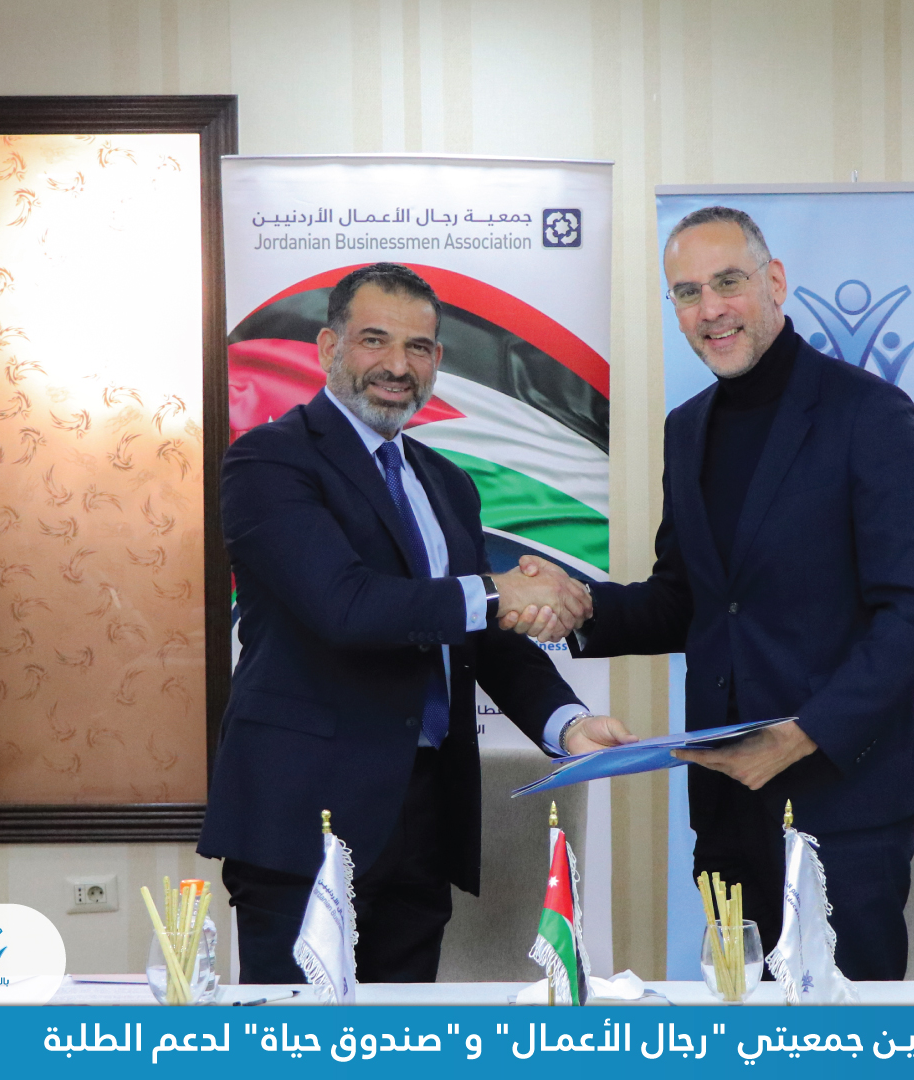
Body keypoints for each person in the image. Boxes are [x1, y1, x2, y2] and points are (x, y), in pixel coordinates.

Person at [530, 206, 914, 979]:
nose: (710, 309)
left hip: (843, 806)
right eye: (687, 293)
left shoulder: (869, 414)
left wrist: (800, 736)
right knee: (736, 1024)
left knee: (846, 1034)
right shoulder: (687, 429)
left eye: (728, 282)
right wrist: (580, 607)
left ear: (774, 282)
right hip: (726, 806)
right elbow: (686, 600)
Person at [198, 263, 634, 984]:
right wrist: (496, 590)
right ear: (328, 347)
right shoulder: (268, 461)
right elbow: (345, 605)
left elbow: (479, 635)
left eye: (420, 347)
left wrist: (568, 724)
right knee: (295, 1037)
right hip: (305, 819)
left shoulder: (447, 483)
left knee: (406, 1034)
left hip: (424, 817)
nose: (398, 366)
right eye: (375, 340)